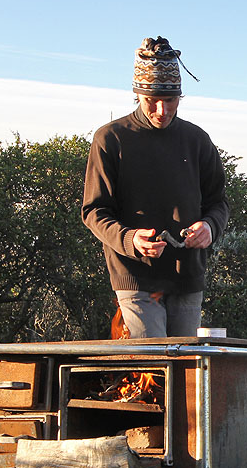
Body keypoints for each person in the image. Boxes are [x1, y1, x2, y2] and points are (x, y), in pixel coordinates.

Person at [82, 36, 229, 338]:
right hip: (134, 276)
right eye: (152, 100)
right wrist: (130, 239)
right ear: (137, 95)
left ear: (180, 97)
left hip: (187, 277)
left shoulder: (197, 140)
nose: (162, 109)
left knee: (185, 365)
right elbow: (94, 211)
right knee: (155, 360)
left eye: (170, 100)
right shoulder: (110, 138)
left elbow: (219, 203)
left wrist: (209, 227)